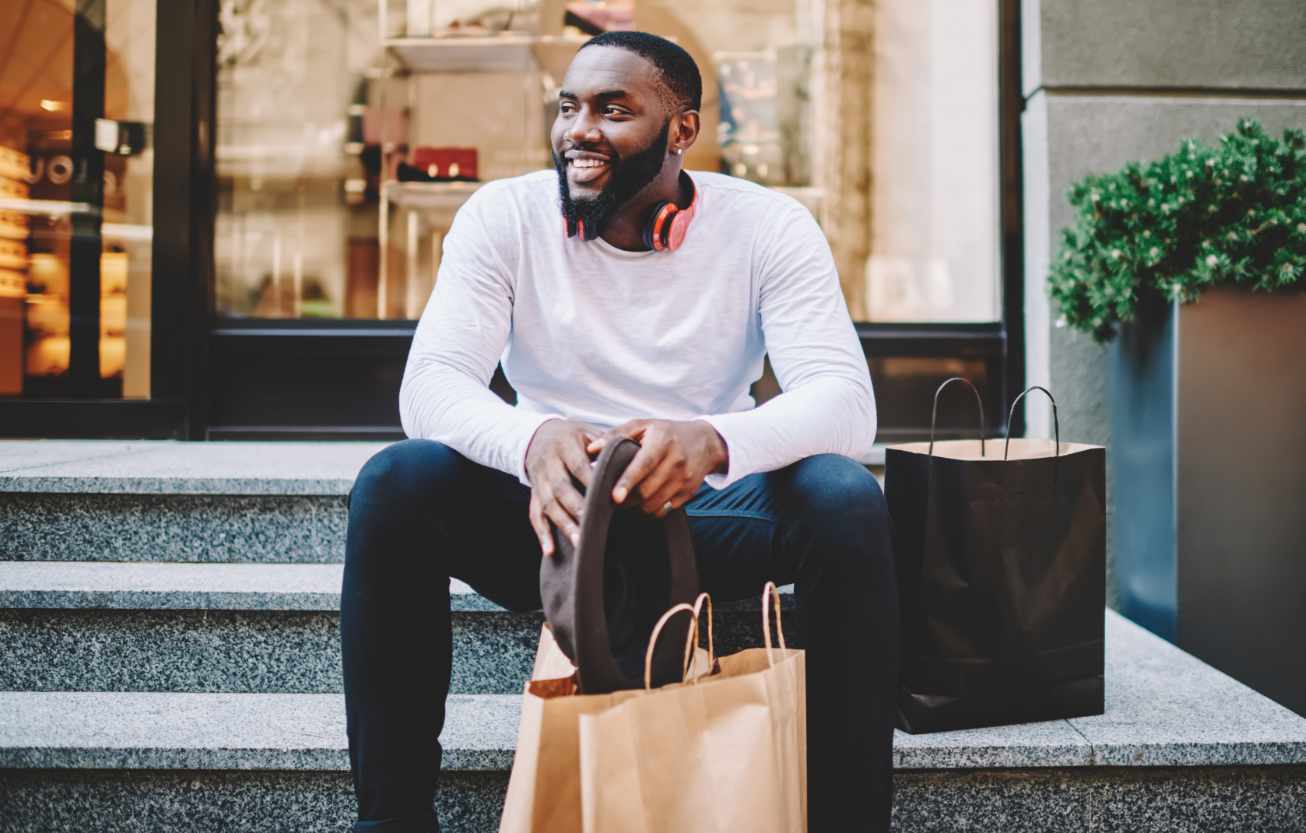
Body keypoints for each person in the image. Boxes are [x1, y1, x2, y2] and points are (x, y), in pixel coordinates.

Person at [341, 30, 899, 833]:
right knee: (395, 482)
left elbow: (846, 401)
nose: (579, 130)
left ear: (682, 131)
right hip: (554, 524)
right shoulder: (503, 218)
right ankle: (391, 822)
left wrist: (713, 440)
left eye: (613, 109)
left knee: (844, 498)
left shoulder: (769, 227)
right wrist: (530, 444)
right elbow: (430, 386)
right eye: (569, 107)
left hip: (704, 518)